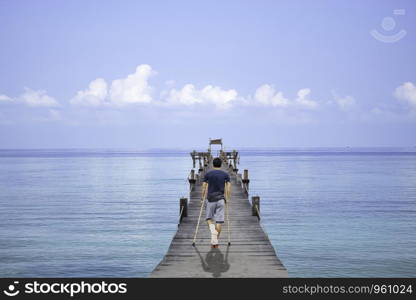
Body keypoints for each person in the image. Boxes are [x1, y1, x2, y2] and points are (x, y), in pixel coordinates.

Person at [201, 157, 231, 248]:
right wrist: (228, 198)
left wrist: (202, 198)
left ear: (213, 164)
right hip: (221, 199)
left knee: (209, 218)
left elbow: (204, 187)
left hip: (210, 199)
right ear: (221, 164)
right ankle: (215, 241)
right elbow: (228, 187)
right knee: (219, 221)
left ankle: (212, 229)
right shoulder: (225, 175)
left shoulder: (208, 174)